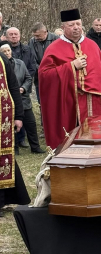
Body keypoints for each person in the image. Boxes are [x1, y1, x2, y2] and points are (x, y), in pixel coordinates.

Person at [39, 9, 101, 149]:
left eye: (78, 24)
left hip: (94, 100)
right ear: (63, 27)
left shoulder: (92, 45)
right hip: (69, 101)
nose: (76, 27)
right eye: (71, 25)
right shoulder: (54, 48)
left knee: (98, 140)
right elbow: (45, 75)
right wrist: (71, 66)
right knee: (72, 142)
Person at [0, 48, 30, 217]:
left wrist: (18, 115)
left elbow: (13, 87)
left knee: (3, 159)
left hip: (2, 119)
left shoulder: (2, 59)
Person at [0, 42, 44, 154]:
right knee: (11, 125)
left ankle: (35, 146)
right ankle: (14, 148)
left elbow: (28, 78)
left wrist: (23, 88)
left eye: (8, 50)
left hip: (23, 98)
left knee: (31, 123)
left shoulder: (20, 63)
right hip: (8, 101)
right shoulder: (2, 66)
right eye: (4, 52)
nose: (7, 53)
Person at [28, 23, 59, 104]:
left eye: (38, 36)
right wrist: (42, 70)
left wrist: (50, 70)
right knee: (42, 102)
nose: (36, 38)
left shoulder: (56, 40)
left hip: (55, 76)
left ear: (45, 32)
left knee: (55, 102)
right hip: (39, 77)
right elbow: (32, 59)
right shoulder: (32, 41)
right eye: (35, 35)